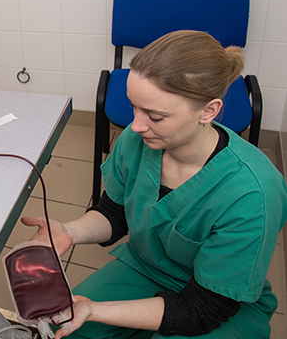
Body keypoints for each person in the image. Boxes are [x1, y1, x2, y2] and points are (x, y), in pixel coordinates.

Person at [23, 30, 287, 338]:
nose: (135, 125)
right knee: (65, 328)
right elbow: (116, 211)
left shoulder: (253, 192)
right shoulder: (137, 141)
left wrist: (96, 309)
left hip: (218, 299)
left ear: (209, 111)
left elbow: (203, 309)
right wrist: (71, 231)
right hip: (148, 268)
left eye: (156, 116)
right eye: (134, 106)